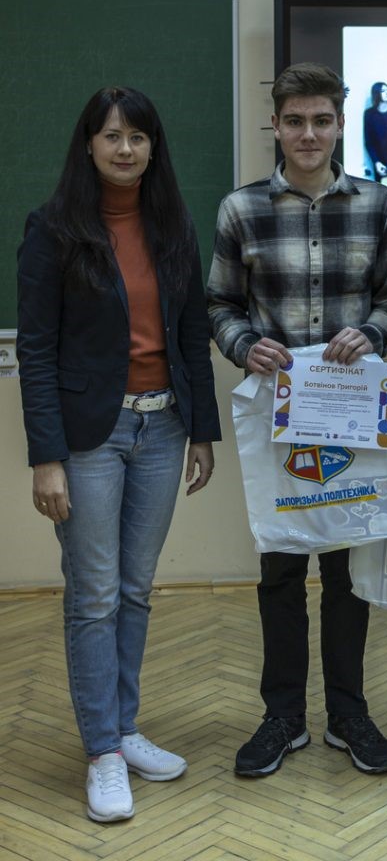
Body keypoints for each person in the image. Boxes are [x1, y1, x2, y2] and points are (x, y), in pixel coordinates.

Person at [17, 86, 221, 823]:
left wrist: (202, 431)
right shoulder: (53, 229)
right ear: (89, 144)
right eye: (112, 136)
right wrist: (47, 457)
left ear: (153, 146)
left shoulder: (174, 224)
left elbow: (191, 331)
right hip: (89, 439)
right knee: (94, 594)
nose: (126, 148)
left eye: (138, 136)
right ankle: (102, 750)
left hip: (163, 429)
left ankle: (125, 728)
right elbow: (36, 350)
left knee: (134, 590)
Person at [207, 62, 387, 779]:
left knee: (350, 572)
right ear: (277, 126)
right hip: (279, 417)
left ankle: (348, 715)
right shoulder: (241, 209)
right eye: (295, 121)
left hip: (350, 414)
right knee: (281, 569)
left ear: (341, 123)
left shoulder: (377, 204)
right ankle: (283, 718)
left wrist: (372, 333)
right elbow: (219, 304)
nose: (309, 134)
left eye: (322, 120)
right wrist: (241, 345)